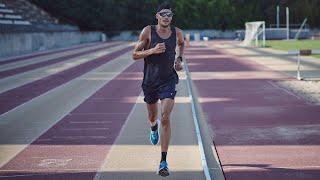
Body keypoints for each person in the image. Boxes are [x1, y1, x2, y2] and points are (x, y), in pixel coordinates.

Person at [132, 2, 184, 177]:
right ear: (157, 16)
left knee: (165, 116)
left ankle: (163, 161)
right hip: (150, 82)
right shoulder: (148, 31)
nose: (166, 17)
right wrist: (152, 50)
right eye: (163, 14)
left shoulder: (177, 32)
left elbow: (182, 44)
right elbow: (134, 55)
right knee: (153, 117)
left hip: (168, 80)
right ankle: (153, 127)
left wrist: (179, 59)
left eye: (169, 14)